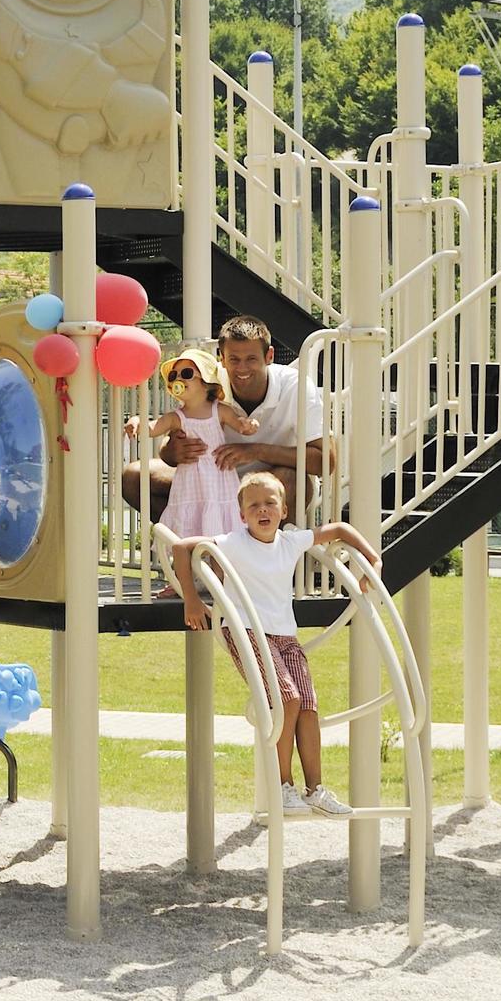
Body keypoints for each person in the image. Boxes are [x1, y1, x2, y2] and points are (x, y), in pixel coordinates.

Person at [167, 468, 374, 818]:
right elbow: (182, 547)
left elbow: (340, 530)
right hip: (247, 631)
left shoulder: (290, 541)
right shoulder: (234, 542)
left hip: (284, 636)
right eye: (254, 506)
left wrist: (374, 559)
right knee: (286, 699)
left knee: (307, 706)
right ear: (242, 514)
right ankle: (282, 786)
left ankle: (315, 789)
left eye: (270, 504)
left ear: (284, 510)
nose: (263, 511)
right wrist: (190, 598)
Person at [123, 315, 326, 522]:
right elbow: (173, 439)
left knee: (290, 478)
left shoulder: (296, 386)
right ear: (222, 357)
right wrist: (172, 450)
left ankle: (259, 551)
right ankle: (190, 541)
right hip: (211, 482)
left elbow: (325, 461)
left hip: (268, 485)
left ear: (269, 356)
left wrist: (256, 451)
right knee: (134, 476)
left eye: (251, 359)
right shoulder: (207, 382)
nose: (242, 368)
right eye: (234, 359)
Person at [144, 347, 257, 541]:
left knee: (221, 532)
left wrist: (249, 426)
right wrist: (138, 422)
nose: (178, 378)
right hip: (189, 482)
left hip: (219, 478)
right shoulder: (176, 417)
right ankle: (187, 568)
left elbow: (240, 425)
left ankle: (219, 570)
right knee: (190, 527)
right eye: (173, 375)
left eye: (187, 374)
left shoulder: (219, 411)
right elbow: (153, 428)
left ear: (206, 383)